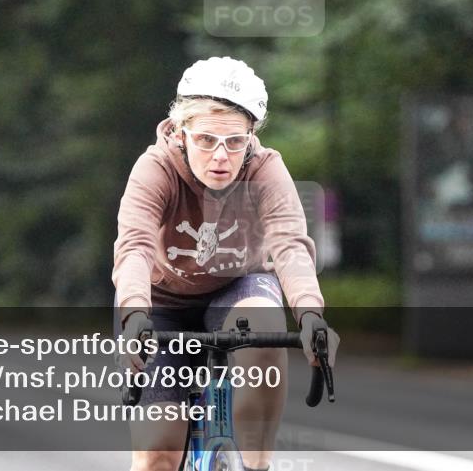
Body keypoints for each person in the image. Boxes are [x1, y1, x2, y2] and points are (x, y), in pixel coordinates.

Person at [113, 57, 340, 471]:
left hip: (239, 286)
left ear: (251, 135)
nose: (221, 156)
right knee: (157, 454)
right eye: (205, 140)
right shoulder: (156, 168)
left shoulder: (265, 168)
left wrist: (310, 315)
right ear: (181, 133)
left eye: (235, 142)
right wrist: (133, 314)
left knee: (266, 323)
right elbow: (135, 245)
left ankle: (256, 464)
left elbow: (289, 244)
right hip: (163, 303)